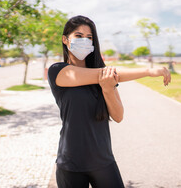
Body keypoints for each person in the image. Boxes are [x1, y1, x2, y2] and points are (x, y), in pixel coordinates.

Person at [48, 15, 171, 188]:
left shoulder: (104, 76)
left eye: (89, 37)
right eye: (78, 36)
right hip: (70, 161)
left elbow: (118, 116)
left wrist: (107, 89)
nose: (84, 40)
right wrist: (149, 72)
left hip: (103, 160)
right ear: (65, 39)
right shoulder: (57, 71)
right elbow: (102, 75)